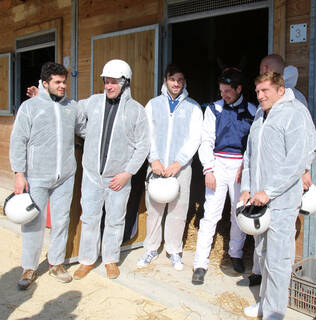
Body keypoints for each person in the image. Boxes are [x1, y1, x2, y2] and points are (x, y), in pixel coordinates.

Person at [241, 72, 316, 319]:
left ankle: (275, 311)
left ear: (281, 90)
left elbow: (296, 161)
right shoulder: (260, 115)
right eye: (258, 92)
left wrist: (269, 191)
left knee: (278, 257)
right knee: (262, 254)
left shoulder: (294, 114)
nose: (260, 96)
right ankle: (264, 302)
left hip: (282, 201)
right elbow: (249, 155)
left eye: (265, 91)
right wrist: (247, 186)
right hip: (259, 200)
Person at [10, 62, 86, 290]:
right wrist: (19, 173)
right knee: (33, 222)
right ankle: (29, 267)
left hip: (65, 175)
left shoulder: (72, 107)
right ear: (45, 84)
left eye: (65, 82)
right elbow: (18, 140)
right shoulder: (30, 107)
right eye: (58, 82)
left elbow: (84, 131)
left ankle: (56, 263)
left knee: (62, 220)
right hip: (37, 175)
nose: (63, 86)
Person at [73, 59, 150, 280]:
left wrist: (127, 173)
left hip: (119, 178)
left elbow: (143, 145)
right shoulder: (93, 102)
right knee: (89, 218)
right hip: (92, 175)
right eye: (106, 82)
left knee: (115, 220)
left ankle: (110, 260)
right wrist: (89, 135)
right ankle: (87, 260)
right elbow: (74, 114)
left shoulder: (137, 111)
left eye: (113, 82)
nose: (108, 86)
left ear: (125, 83)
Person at [191, 68, 256, 284]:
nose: (223, 95)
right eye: (221, 90)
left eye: (228, 91)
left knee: (239, 213)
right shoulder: (214, 109)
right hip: (218, 162)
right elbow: (207, 140)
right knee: (211, 213)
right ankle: (200, 263)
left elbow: (254, 145)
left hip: (240, 165)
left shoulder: (253, 111)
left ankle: (235, 254)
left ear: (239, 89)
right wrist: (208, 169)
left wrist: (245, 167)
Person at [136, 64, 203, 271]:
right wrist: (154, 159)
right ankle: (151, 248)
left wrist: (179, 162)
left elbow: (195, 138)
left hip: (180, 168)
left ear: (184, 82)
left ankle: (174, 250)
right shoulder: (153, 104)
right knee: (154, 208)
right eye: (173, 79)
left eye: (180, 80)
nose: (176, 83)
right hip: (156, 166)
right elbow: (147, 133)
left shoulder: (193, 107)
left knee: (179, 208)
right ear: (165, 80)